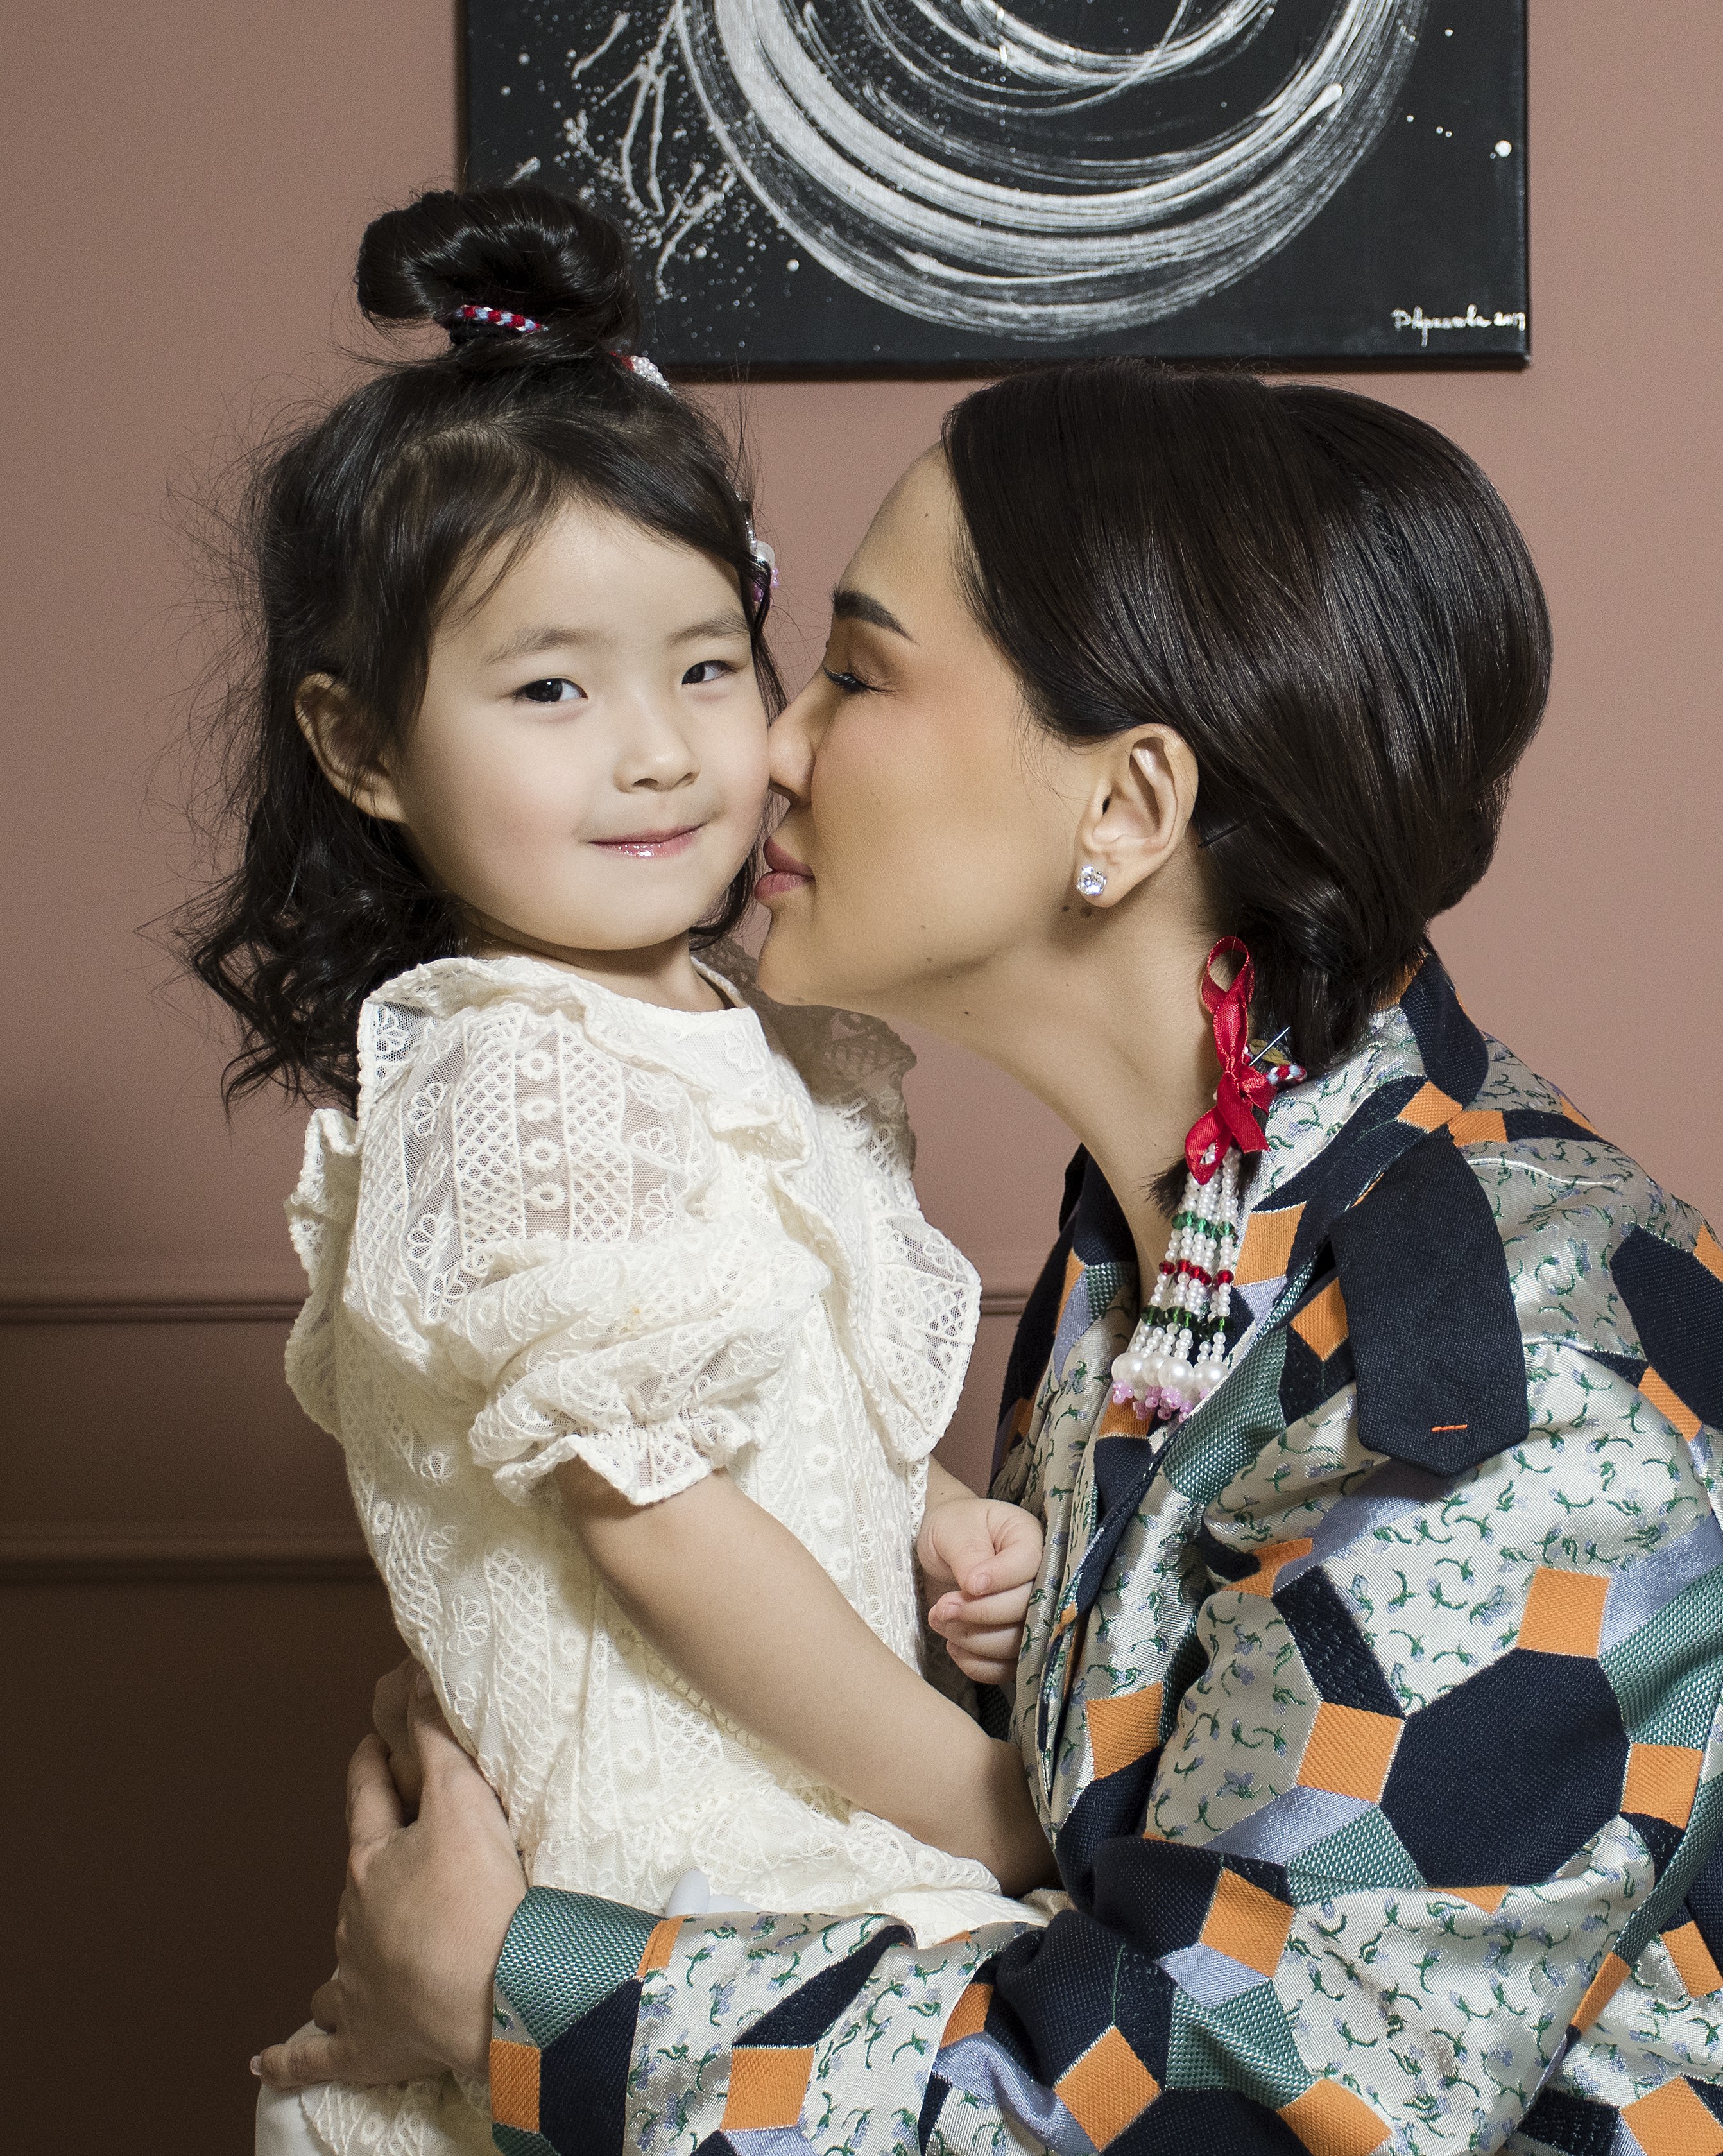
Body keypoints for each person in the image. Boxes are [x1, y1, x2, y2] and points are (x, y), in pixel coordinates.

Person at [259, 362, 1723, 2156]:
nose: (765, 749)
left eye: (853, 674)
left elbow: (1221, 2113)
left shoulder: (1510, 1389)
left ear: (1125, 810)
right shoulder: (1169, 1234)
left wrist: (513, 1990)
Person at [188, 186, 1058, 2156]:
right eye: (551, 689)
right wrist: (978, 1797)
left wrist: (927, 1513)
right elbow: (654, 1518)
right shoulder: (517, 1077)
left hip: (784, 1829)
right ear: (362, 747)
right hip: (668, 1878)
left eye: (705, 667)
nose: (657, 752)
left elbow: (751, 1403)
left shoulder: (723, 1040)